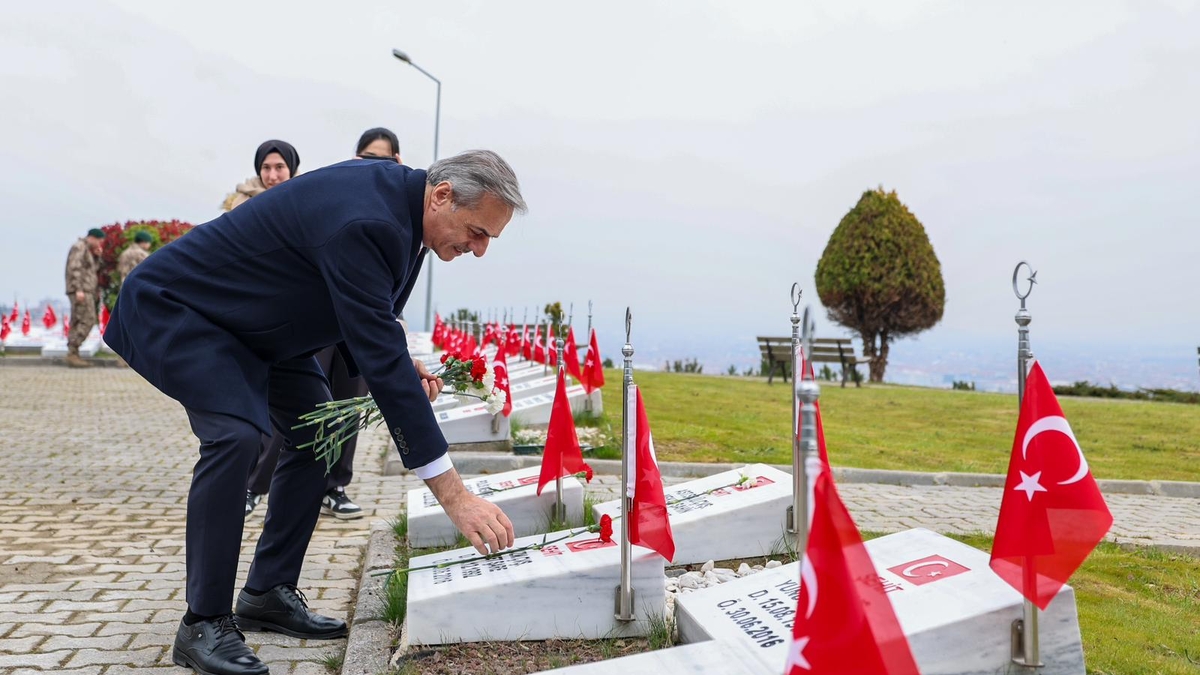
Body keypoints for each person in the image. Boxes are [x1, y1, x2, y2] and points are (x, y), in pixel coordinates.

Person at [105, 150, 524, 675]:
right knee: (236, 437)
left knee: (317, 430)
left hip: (257, 329)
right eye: (478, 231)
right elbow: (374, 337)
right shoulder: (370, 217)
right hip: (183, 310)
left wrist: (399, 359)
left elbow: (369, 311)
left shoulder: (403, 210)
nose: (480, 249)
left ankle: (267, 592)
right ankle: (203, 623)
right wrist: (454, 496)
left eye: (489, 239)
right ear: (442, 195)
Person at [63, 228, 105, 368]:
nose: (100, 244)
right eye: (99, 240)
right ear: (92, 238)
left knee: (79, 319)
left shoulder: (87, 250)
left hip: (86, 290)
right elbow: (74, 269)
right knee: (88, 319)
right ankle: (73, 351)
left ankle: (73, 352)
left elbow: (91, 271)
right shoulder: (79, 247)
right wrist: (78, 289)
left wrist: (97, 257)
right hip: (81, 291)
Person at [221, 140, 300, 212]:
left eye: (279, 167)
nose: (272, 177)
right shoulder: (241, 204)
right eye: (266, 167)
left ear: (291, 169)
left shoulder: (305, 199)